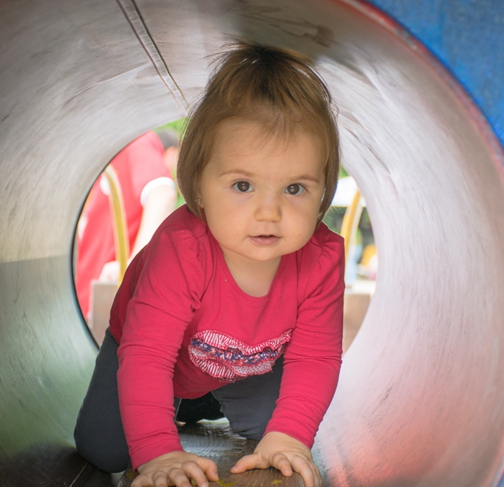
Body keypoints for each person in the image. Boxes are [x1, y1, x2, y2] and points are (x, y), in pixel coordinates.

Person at [74, 42, 344, 487]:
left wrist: (290, 434)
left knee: (274, 443)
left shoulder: (321, 258)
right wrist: (159, 452)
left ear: (321, 193)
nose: (268, 213)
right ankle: (179, 403)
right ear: (198, 188)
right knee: (106, 450)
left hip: (249, 361)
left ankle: (200, 401)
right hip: (149, 350)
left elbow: (315, 356)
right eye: (243, 185)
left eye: (294, 189)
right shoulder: (182, 248)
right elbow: (147, 354)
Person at [75, 131, 179, 324]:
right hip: (95, 301)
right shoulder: (140, 141)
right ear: (172, 153)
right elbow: (163, 193)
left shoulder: (121, 155)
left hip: (96, 298)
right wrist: (135, 265)